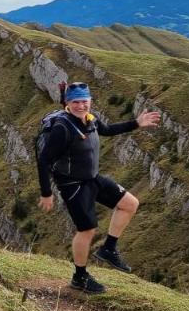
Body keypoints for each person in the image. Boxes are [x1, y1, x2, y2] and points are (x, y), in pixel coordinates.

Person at [36, 82, 161, 293]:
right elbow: (43, 160)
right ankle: (80, 277)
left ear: (90, 101)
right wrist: (46, 193)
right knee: (87, 230)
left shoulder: (90, 120)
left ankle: (108, 249)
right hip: (72, 184)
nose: (81, 106)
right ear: (68, 103)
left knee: (130, 204)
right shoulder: (62, 128)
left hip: (92, 178)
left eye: (84, 101)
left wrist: (136, 123)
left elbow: (108, 130)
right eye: (76, 102)